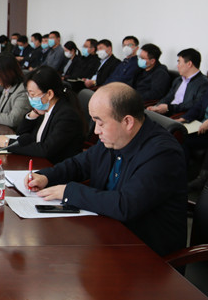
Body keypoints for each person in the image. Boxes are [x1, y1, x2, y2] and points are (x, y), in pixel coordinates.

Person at [26, 82, 187, 257]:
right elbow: (79, 164)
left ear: (127, 122)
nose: (96, 131)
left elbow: (125, 205)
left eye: (100, 123)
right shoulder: (115, 137)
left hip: (144, 252)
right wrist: (45, 176)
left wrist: (68, 191)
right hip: (105, 232)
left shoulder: (163, 154)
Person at [0, 66, 84, 163]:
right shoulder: (45, 109)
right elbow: (21, 133)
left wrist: (7, 143)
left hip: (55, 165)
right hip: (39, 161)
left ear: (49, 94)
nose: (30, 98)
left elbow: (45, 149)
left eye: (32, 95)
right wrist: (33, 114)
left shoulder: (67, 116)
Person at [148, 48, 208, 116]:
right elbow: (168, 97)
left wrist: (169, 108)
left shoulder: (204, 83)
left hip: (182, 116)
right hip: (168, 112)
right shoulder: (178, 80)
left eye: (179, 62)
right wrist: (156, 106)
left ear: (189, 64)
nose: (177, 66)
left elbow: (195, 105)